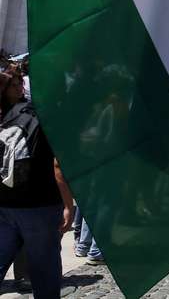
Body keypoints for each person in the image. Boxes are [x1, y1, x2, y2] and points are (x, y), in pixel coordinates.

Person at [0, 72, 75, 297]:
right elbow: (58, 166)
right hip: (39, 204)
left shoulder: (8, 115)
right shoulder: (46, 116)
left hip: (5, 201)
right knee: (45, 271)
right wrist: (68, 205)